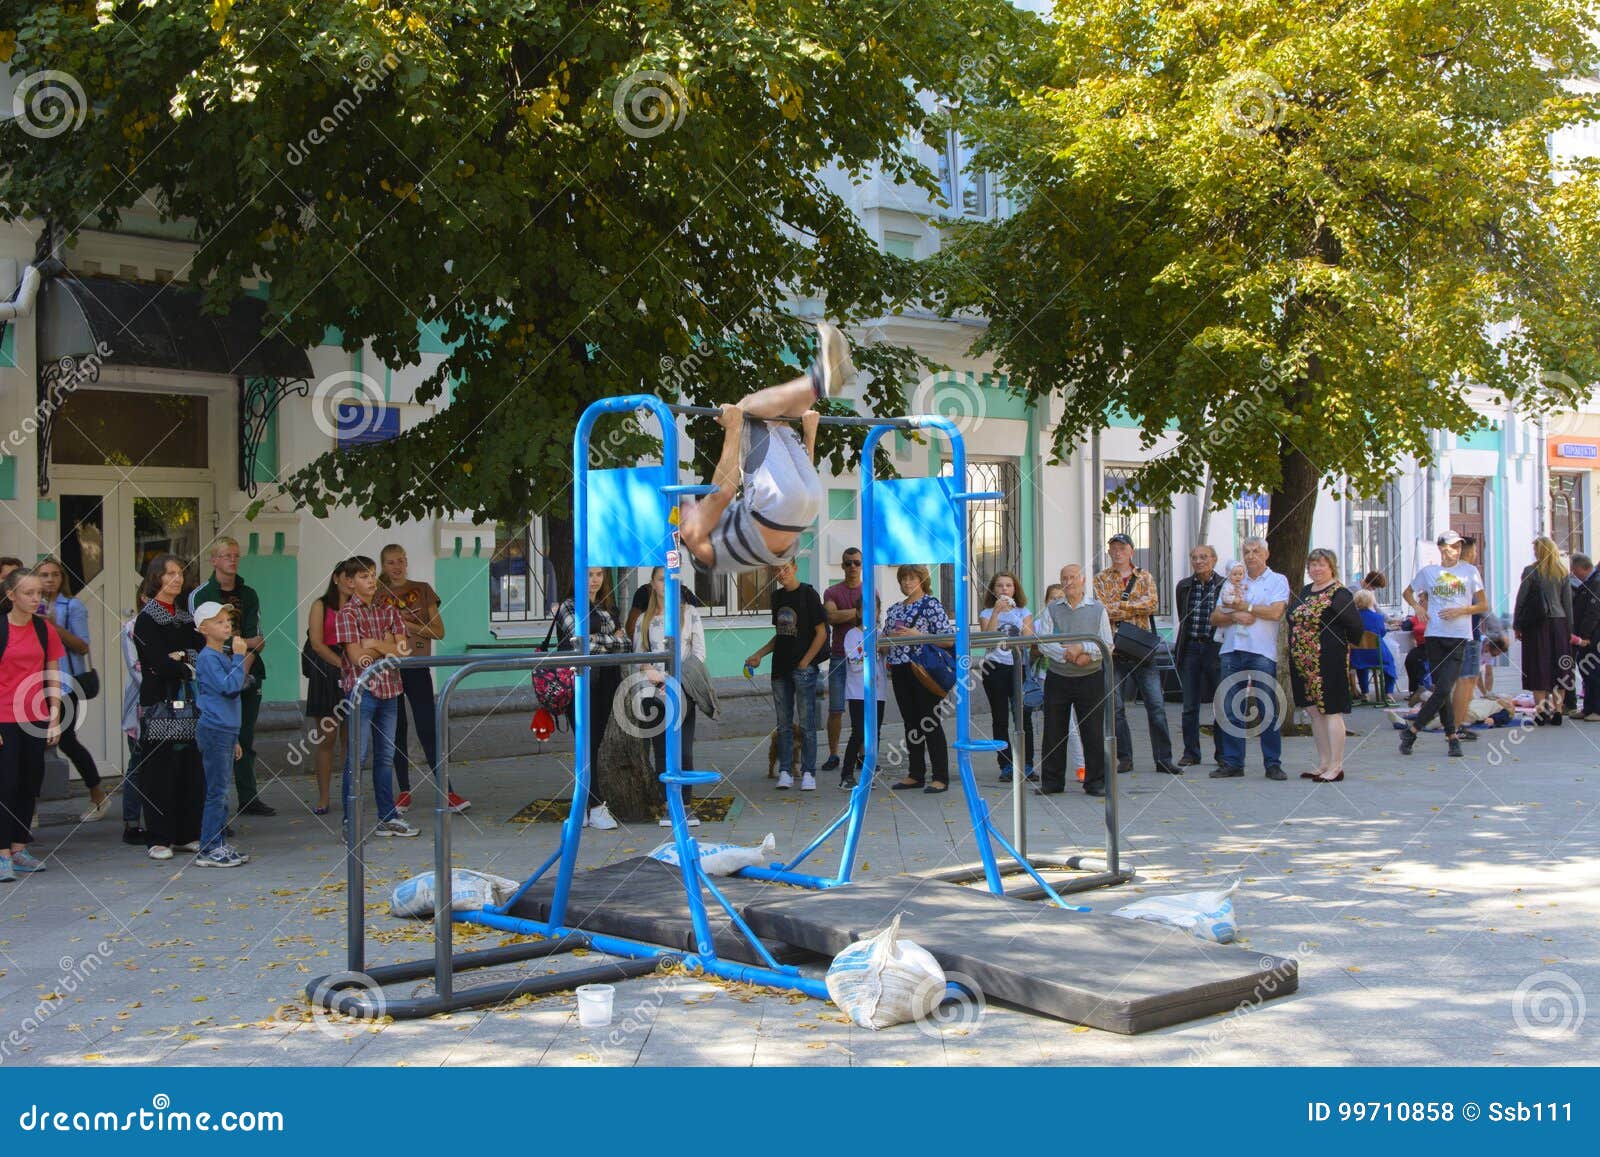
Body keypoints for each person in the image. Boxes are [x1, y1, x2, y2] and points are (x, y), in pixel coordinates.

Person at [680, 323, 854, 577]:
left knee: (775, 417)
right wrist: (733, 427)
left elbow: (795, 489)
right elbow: (723, 492)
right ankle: (819, 380)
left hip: (806, 506)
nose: (690, 505)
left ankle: (822, 380)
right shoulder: (691, 533)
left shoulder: (720, 540)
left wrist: (809, 435)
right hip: (776, 509)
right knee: (747, 409)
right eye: (683, 508)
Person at [327, 556, 418, 838]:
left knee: (386, 756)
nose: (371, 581)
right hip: (362, 692)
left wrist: (376, 643)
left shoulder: (388, 610)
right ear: (350, 582)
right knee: (358, 756)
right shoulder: (347, 614)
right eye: (364, 576)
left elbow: (404, 650)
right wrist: (387, 645)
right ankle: (350, 821)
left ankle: (387, 817)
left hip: (390, 690)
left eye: (373, 575)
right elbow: (357, 657)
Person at [377, 544, 469, 814]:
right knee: (396, 730)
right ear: (383, 566)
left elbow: (438, 631)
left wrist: (406, 624)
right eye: (391, 562)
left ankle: (446, 791)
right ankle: (403, 791)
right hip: (389, 669)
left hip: (417, 666)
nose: (396, 566)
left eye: (400, 561)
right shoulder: (377, 596)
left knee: (428, 728)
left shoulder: (422, 589)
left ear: (406, 562)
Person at [187, 537, 272, 816]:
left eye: (236, 555)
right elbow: (202, 640)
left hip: (247, 670)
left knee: (244, 736)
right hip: (214, 676)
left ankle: (248, 797)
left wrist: (240, 667)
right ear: (214, 560)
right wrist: (239, 651)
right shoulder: (201, 595)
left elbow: (257, 640)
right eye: (226, 555)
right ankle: (213, 809)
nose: (233, 560)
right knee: (217, 742)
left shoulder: (248, 594)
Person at [132, 555, 205, 860]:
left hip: (187, 702)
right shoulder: (147, 619)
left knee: (189, 767)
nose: (177, 579)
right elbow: (158, 662)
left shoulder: (186, 617)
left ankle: (186, 834)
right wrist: (183, 664)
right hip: (159, 703)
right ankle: (158, 838)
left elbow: (201, 652)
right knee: (159, 771)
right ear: (156, 578)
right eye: (169, 573)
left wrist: (182, 658)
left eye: (180, 573)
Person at [1094, 533, 1180, 776]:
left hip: (1141, 649)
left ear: (1131, 551)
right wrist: (1133, 606)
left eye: (1122, 548)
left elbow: (1151, 604)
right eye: (1113, 548)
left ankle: (1164, 759)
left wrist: (1119, 606)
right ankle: (1125, 758)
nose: (1117, 552)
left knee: (1156, 706)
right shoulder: (1101, 578)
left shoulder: (1145, 576)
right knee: (1116, 708)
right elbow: (1102, 610)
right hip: (1113, 649)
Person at [33, 557, 110, 821]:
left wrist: (52, 626)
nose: (50, 580)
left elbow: (82, 646)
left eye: (55, 574)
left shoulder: (72, 605)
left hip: (65, 683)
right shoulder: (27, 604)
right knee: (33, 744)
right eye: (44, 575)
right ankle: (29, 809)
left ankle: (98, 795)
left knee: (65, 740)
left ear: (62, 578)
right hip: (33, 684)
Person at [1399, 530, 1488, 756]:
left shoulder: (1469, 571)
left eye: (1458, 547)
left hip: (1459, 636)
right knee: (1442, 690)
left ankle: (1412, 730)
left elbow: (1483, 605)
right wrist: (1417, 608)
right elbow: (1407, 592)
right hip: (1435, 635)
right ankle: (1452, 738)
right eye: (1451, 546)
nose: (1456, 551)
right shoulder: (1429, 572)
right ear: (1441, 548)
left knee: (1445, 687)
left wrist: (1462, 610)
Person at [1210, 536, 1291, 780]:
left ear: (1266, 554)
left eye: (1256, 551)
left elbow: (1276, 612)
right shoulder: (1234, 578)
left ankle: (1272, 764)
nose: (1250, 555)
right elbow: (1215, 617)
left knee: (1267, 708)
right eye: (1246, 551)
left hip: (1261, 651)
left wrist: (1245, 607)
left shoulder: (1277, 580)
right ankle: (1232, 762)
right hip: (1231, 650)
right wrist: (1234, 617)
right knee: (1229, 708)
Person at [554, 567, 629, 830]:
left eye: (598, 574)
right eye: (589, 574)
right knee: (584, 742)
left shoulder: (609, 607)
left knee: (593, 744)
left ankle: (583, 808)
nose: (594, 580)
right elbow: (582, 643)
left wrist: (600, 640)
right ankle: (595, 807)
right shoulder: (568, 606)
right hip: (577, 681)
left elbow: (626, 644)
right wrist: (610, 639)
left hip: (606, 680)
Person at [0, 569, 63, 879]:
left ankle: (18, 848)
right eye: (29, 593)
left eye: (39, 592)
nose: (36, 598)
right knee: (5, 785)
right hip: (4, 718)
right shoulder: (2, 628)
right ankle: (2, 855)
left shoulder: (43, 629)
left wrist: (55, 716)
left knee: (29, 783)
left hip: (35, 718)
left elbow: (53, 675)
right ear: (11, 595)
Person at [634, 567, 707, 825]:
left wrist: (676, 681)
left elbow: (699, 653)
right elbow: (639, 655)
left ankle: (685, 805)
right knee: (662, 752)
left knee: (684, 750)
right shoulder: (643, 619)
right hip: (654, 692)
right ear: (652, 584)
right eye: (660, 579)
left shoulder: (690, 613)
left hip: (683, 691)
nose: (665, 584)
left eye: (669, 579)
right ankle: (667, 806)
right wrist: (656, 676)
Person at [746, 561, 827, 790]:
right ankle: (785, 771)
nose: (781, 574)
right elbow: (781, 634)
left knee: (807, 723)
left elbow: (821, 632)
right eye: (777, 570)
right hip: (780, 668)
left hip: (803, 669)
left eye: (785, 569)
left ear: (795, 567)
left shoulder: (808, 594)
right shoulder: (777, 597)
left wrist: (805, 661)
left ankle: (809, 772)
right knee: (783, 724)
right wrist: (759, 654)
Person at [1288, 549, 1364, 783]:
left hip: (1329, 659)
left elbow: (1355, 627)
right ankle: (1323, 763)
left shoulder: (1339, 593)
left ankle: (1336, 765)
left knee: (1331, 710)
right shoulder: (1305, 591)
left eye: (1321, 564)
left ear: (1331, 567)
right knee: (1314, 711)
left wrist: (1338, 646)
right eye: (1312, 565)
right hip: (1303, 660)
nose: (1316, 569)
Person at [1037, 564, 1111, 797]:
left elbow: (1107, 643)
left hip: (1090, 677)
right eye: (1064, 578)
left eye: (1073, 577)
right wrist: (1067, 654)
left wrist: (1084, 650)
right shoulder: (1052, 609)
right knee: (1053, 730)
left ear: (1083, 580)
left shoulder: (1098, 609)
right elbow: (1044, 642)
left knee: (1093, 731)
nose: (1068, 582)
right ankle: (1052, 782)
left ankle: (1095, 782)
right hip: (1058, 677)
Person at [883, 565, 955, 793]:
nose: (907, 582)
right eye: (903, 578)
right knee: (910, 722)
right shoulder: (894, 609)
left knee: (929, 720)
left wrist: (919, 635)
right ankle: (915, 774)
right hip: (900, 668)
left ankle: (940, 776)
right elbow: (883, 641)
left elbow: (948, 640)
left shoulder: (931, 605)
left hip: (924, 670)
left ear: (922, 580)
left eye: (912, 578)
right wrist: (887, 639)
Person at [192, 602, 251, 867]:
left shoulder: (220, 656)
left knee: (222, 790)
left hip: (225, 731)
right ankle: (209, 847)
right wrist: (239, 657)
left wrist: (235, 738)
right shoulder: (208, 657)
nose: (226, 625)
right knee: (217, 792)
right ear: (204, 629)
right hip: (215, 730)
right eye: (218, 622)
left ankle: (217, 842)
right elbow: (229, 687)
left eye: (228, 621)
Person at [303, 563, 352, 816]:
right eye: (347, 577)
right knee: (327, 738)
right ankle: (323, 798)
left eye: (356, 577)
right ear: (336, 578)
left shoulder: (360, 606)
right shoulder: (320, 605)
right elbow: (317, 644)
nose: (352, 582)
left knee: (350, 738)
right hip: (326, 673)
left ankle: (350, 793)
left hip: (354, 670)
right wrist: (342, 665)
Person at [978, 571, 1036, 783]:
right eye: (1000, 585)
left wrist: (1013, 615)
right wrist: (996, 612)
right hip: (994, 668)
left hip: (1018, 668)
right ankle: (1006, 765)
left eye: (1008, 585)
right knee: (1000, 718)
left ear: (1015, 589)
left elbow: (1028, 640)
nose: (1004, 589)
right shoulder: (986, 613)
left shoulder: (1024, 612)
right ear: (993, 590)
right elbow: (988, 640)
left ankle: (1027, 764)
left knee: (1023, 718)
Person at [1513, 536, 1574, 726]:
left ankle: (1541, 712)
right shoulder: (1562, 572)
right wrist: (1569, 630)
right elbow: (1568, 604)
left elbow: (1521, 599)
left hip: (1536, 625)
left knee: (1538, 665)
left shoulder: (1530, 571)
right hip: (1559, 623)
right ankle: (1558, 710)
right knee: (1560, 667)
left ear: (1538, 551)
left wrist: (1517, 625)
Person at [1174, 545, 1225, 767]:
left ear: (1214, 559)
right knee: (1189, 705)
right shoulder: (1184, 586)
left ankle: (1223, 753)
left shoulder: (1224, 585)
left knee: (1220, 703)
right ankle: (1191, 753)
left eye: (1203, 557)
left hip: (1216, 648)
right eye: (1194, 557)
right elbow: (1183, 618)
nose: (1198, 561)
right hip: (1191, 649)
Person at [821, 548, 866, 775]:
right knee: (836, 709)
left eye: (856, 562)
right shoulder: (832, 591)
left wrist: (844, 614)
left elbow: (873, 617)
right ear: (842, 566)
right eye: (848, 563)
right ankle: (833, 754)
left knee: (861, 708)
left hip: (862, 657)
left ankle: (862, 755)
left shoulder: (869, 588)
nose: (852, 567)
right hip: (839, 656)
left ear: (861, 565)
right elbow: (830, 616)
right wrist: (859, 612)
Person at [839, 616, 887, 790]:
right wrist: (872, 649)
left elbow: (887, 658)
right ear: (859, 611)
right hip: (858, 691)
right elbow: (855, 663)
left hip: (878, 691)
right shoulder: (852, 634)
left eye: (876, 608)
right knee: (858, 732)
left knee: (874, 734)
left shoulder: (880, 634)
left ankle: (868, 775)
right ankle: (846, 775)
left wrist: (886, 646)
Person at [1450, 536, 1488, 741]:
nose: (1476, 555)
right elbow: (1481, 605)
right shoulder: (1470, 572)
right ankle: (1456, 726)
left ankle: (1460, 722)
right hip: (1469, 632)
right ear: (1468, 552)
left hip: (1456, 632)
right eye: (1474, 551)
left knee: (1467, 679)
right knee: (1465, 680)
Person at [118, 595, 149, 844]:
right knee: (138, 764)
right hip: (142, 707)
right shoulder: (132, 627)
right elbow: (136, 668)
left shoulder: (178, 623)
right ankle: (132, 823)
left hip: (173, 706)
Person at [1349, 590, 1396, 704]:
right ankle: (1388, 692)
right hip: (1376, 654)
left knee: (1361, 666)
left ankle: (1365, 693)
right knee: (1390, 662)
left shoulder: (1351, 618)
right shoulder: (1378, 617)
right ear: (1371, 601)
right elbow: (1382, 633)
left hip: (1358, 654)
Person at [1568, 554, 1600, 720]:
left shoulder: (1596, 582)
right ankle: (1588, 708)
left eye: (1575, 570)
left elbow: (1593, 612)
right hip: (1587, 634)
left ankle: (1597, 710)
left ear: (1583, 568)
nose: (1573, 573)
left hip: (1594, 635)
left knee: (1593, 671)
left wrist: (1585, 635)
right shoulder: (1591, 581)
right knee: (1586, 670)